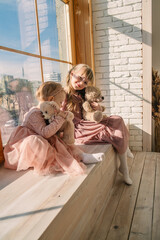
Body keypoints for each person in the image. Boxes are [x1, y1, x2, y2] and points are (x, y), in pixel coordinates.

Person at [4, 81, 105, 176]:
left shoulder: (49, 111)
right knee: (37, 141)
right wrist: (60, 117)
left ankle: (82, 156)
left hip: (45, 137)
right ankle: (68, 160)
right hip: (29, 145)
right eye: (60, 102)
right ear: (51, 100)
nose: (61, 106)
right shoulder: (34, 113)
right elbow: (45, 133)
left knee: (60, 142)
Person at [63, 64, 132, 185]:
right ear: (71, 73)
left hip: (85, 123)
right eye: (79, 78)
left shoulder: (82, 94)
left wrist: (98, 107)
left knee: (118, 119)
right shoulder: (63, 94)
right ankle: (125, 163)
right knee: (114, 127)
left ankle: (124, 160)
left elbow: (89, 113)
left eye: (85, 82)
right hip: (77, 129)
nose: (81, 83)